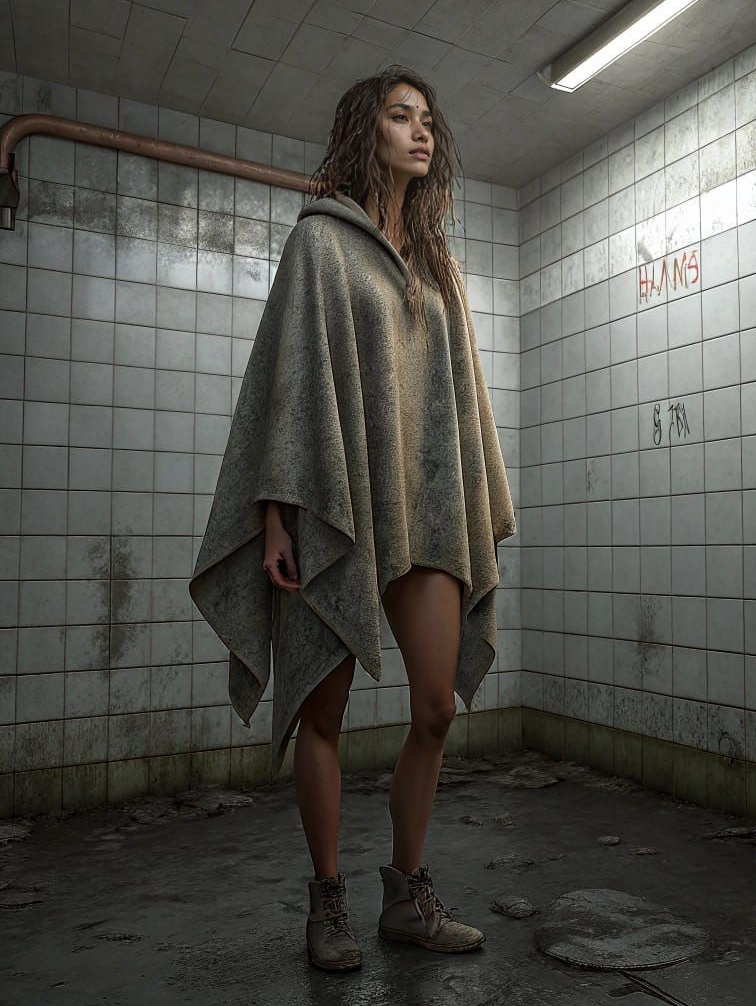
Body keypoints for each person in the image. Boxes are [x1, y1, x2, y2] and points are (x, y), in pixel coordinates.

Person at [187, 65, 516, 974]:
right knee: (323, 712)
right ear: (364, 131)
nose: (421, 131)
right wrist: (278, 519)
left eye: (427, 119)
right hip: (337, 503)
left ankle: (406, 896)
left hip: (428, 507)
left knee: (436, 708)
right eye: (400, 116)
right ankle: (326, 901)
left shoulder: (439, 267)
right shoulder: (322, 245)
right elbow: (284, 389)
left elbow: (454, 400)